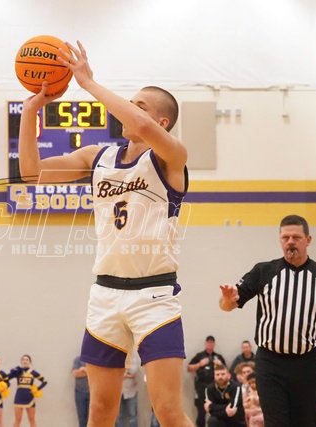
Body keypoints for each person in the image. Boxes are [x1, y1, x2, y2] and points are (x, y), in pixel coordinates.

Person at [19, 40, 191, 427]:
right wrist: (30, 112)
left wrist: (87, 83)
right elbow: (32, 172)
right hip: (105, 295)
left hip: (154, 295)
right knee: (99, 411)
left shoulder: (171, 156)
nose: (128, 109)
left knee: (168, 412)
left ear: (162, 123)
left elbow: (142, 126)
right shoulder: (99, 157)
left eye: (139, 105)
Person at [219, 214, 316, 426]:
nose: (290, 242)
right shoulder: (263, 271)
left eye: (296, 237)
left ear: (308, 240)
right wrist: (226, 300)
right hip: (270, 363)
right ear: (280, 239)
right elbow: (228, 305)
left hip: (307, 363)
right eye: (285, 237)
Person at [187, 336, 227, 427]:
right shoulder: (199, 356)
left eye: (212, 343)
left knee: (216, 410)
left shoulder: (218, 357)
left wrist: (220, 364)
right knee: (201, 412)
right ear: (205, 344)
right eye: (208, 342)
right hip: (201, 387)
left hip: (215, 388)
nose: (210, 344)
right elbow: (189, 368)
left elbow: (227, 372)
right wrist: (199, 364)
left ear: (214, 344)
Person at [9, 354, 47, 427]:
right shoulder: (18, 372)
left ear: (30, 362)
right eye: (23, 360)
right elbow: (6, 379)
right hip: (19, 397)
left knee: (32, 419)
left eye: (27, 360)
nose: (25, 361)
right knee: (17, 420)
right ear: (21, 362)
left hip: (30, 397)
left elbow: (44, 381)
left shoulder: (33, 372)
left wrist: (37, 389)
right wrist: (12, 373)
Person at [116, 353, 140, 427]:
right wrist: (125, 374)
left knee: (132, 415)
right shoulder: (115, 354)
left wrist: (125, 371)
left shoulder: (133, 354)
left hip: (131, 391)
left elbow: (134, 370)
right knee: (119, 416)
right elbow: (115, 371)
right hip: (118, 391)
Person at [72, 356, 90, 427]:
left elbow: (97, 374)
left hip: (92, 393)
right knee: (82, 419)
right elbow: (75, 374)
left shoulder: (95, 360)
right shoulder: (78, 360)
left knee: (91, 419)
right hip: (79, 393)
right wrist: (88, 372)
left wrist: (83, 370)